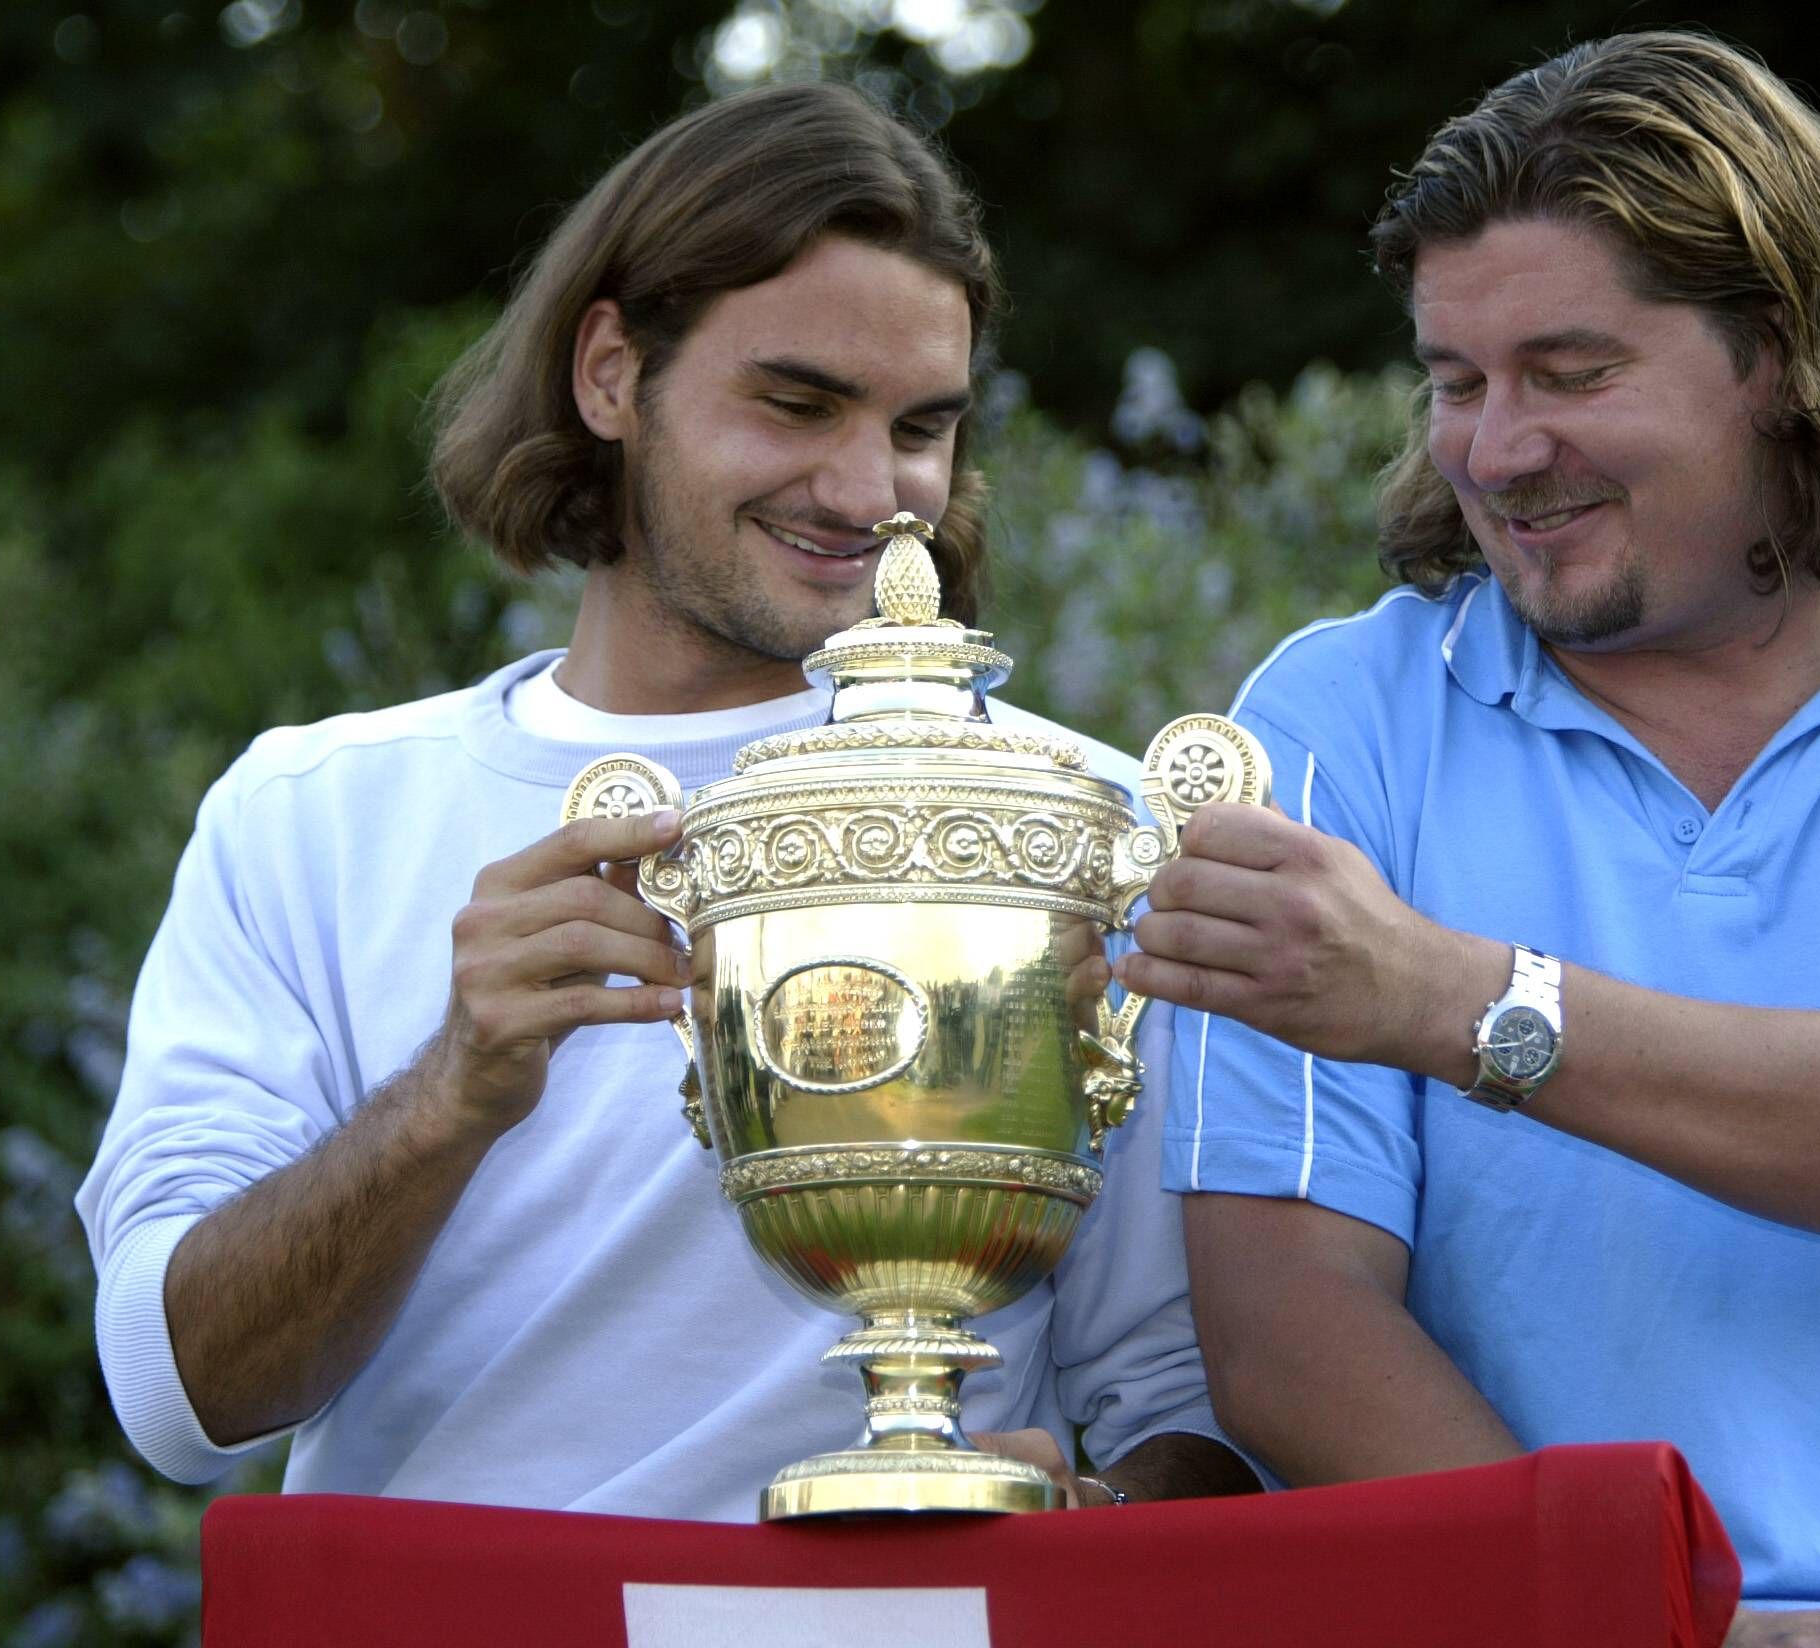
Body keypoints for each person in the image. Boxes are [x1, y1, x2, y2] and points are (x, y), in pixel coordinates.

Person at [1122, 33, 1820, 1648]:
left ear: (1780, 355)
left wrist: (1451, 998)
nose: (1497, 450)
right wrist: (1663, 1628)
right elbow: (1287, 1340)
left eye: (1571, 374)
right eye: (1455, 381)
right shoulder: (1336, 716)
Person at [75, 81, 1253, 1519]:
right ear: (611, 374)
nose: (872, 488)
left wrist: (1099, 1523)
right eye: (798, 402)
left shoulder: (1084, 822)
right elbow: (177, 1397)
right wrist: (457, 1089)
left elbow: (1195, 1403)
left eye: (922, 427)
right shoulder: (308, 813)